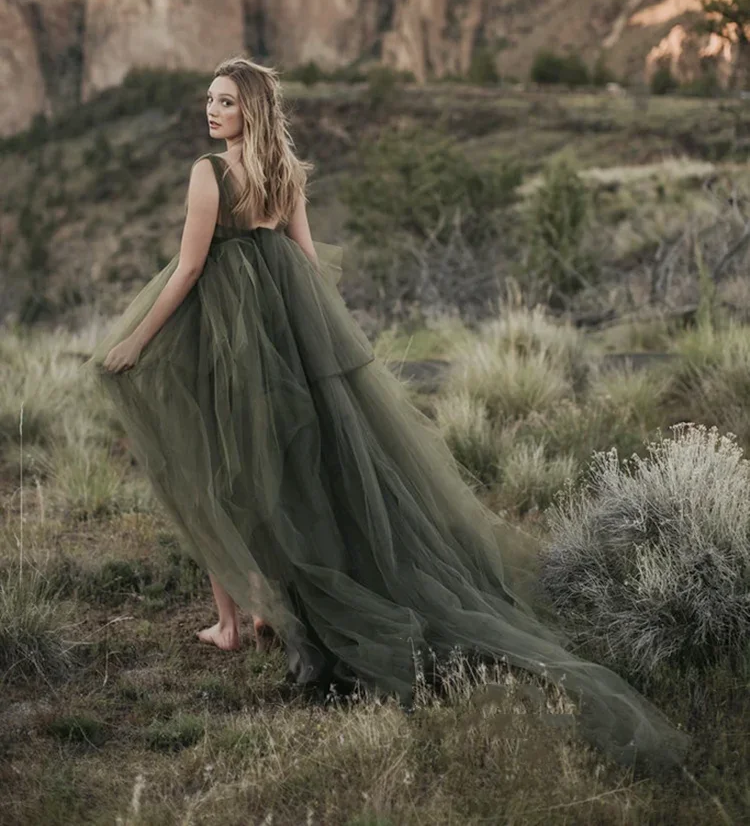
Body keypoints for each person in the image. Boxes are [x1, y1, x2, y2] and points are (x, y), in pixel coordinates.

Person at [82, 55, 690, 776]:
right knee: (291, 470)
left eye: (222, 102)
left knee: (218, 464)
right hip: (290, 332)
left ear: (248, 109)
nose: (208, 111)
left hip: (231, 335)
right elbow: (307, 262)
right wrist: (330, 352)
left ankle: (232, 622)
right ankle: (254, 614)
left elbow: (187, 270)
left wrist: (135, 340)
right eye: (207, 100)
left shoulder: (209, 174)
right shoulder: (286, 172)